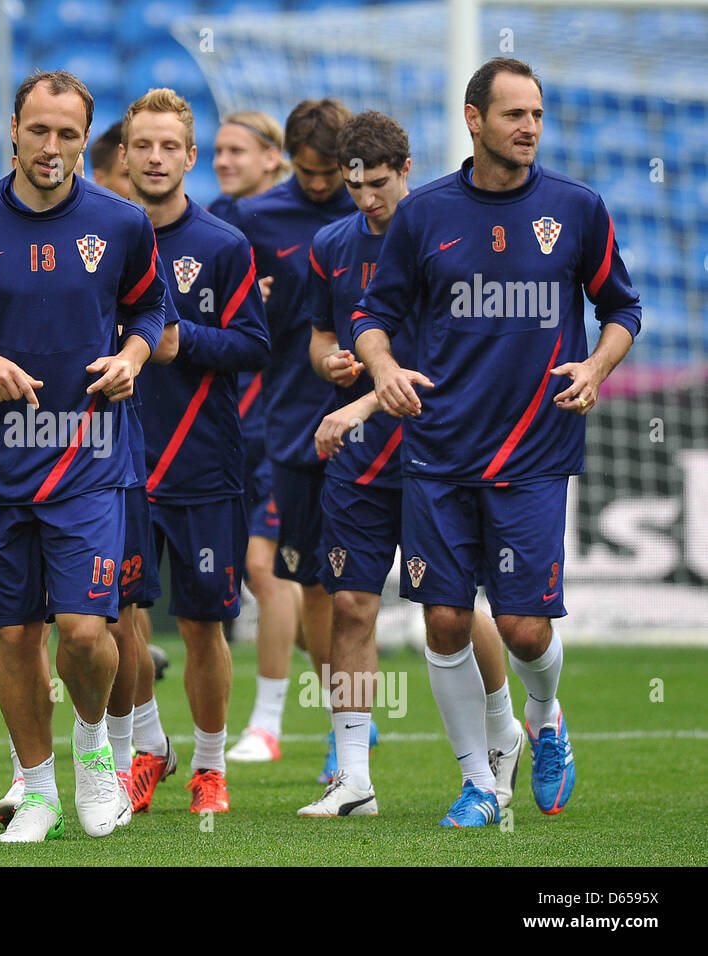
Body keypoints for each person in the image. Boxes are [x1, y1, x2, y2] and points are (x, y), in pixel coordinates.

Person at [353, 58, 640, 826]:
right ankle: (480, 780)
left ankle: (547, 722)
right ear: (475, 120)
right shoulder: (425, 216)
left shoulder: (577, 209)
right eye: (514, 114)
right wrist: (382, 368)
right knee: (442, 620)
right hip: (440, 448)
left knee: (521, 625)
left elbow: (623, 309)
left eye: (538, 116)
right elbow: (371, 315)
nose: (529, 128)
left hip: (535, 450)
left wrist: (598, 364)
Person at [0, 69, 168, 843]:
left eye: (67, 134)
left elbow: (150, 307)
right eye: (39, 130)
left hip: (90, 456)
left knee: (87, 631)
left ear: (86, 140)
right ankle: (37, 786)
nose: (52, 146)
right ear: (13, 131)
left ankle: (94, 753)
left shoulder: (122, 223)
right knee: (17, 636)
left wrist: (133, 354)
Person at [296, 110, 523, 817]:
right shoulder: (331, 244)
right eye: (353, 186)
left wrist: (362, 399)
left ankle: (506, 730)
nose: (366, 200)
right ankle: (355, 778)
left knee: (450, 610)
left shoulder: (440, 235)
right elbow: (324, 333)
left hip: (437, 450)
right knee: (353, 603)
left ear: (405, 169)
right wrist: (332, 362)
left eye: (378, 184)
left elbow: (441, 360)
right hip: (359, 460)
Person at [118, 89, 268, 815]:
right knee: (116, 613)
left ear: (189, 156)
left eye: (168, 146)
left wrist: (185, 342)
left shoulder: (222, 245)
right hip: (114, 461)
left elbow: (255, 344)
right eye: (142, 145)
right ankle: (148, 745)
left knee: (205, 622)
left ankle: (211, 767)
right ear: (124, 153)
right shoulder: (102, 240)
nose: (154, 157)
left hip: (204, 461)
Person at [230, 100, 358, 780]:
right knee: (312, 585)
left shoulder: (379, 213)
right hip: (293, 424)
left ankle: (516, 718)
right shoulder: (256, 221)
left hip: (382, 422)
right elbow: (229, 318)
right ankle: (344, 732)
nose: (319, 184)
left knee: (399, 597)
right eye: (309, 173)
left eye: (330, 172)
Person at [207, 111, 289, 646]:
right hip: (221, 426)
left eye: (237, 151)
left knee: (275, 573)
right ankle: (346, 708)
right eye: (217, 151)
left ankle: (342, 714)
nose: (223, 161)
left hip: (286, 425)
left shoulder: (300, 227)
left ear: (271, 158)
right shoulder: (208, 221)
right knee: (242, 578)